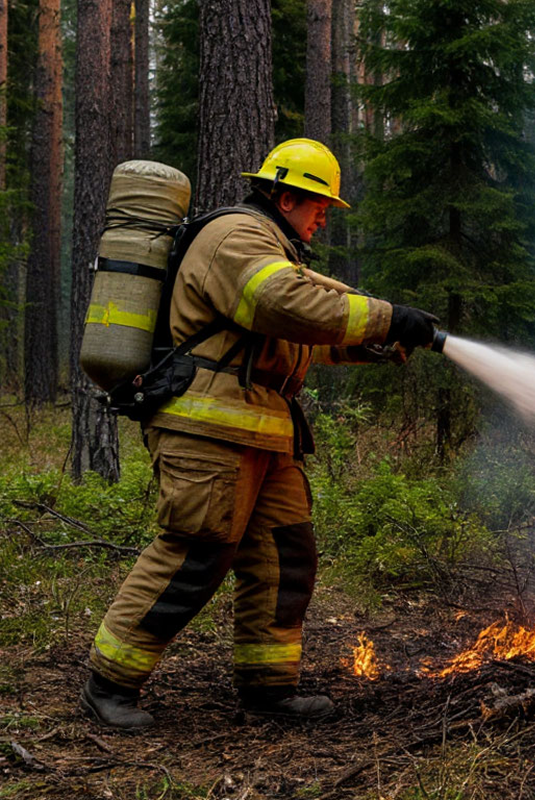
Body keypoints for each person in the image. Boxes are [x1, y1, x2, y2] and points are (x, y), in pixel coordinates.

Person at [80, 138, 438, 729]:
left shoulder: (274, 247)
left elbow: (290, 336)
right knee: (196, 554)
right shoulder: (238, 237)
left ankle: (268, 689)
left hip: (264, 434)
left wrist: (372, 343)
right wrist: (383, 315)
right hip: (209, 430)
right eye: (320, 205)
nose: (325, 216)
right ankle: (109, 683)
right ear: (287, 195)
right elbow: (280, 303)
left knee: (285, 556)